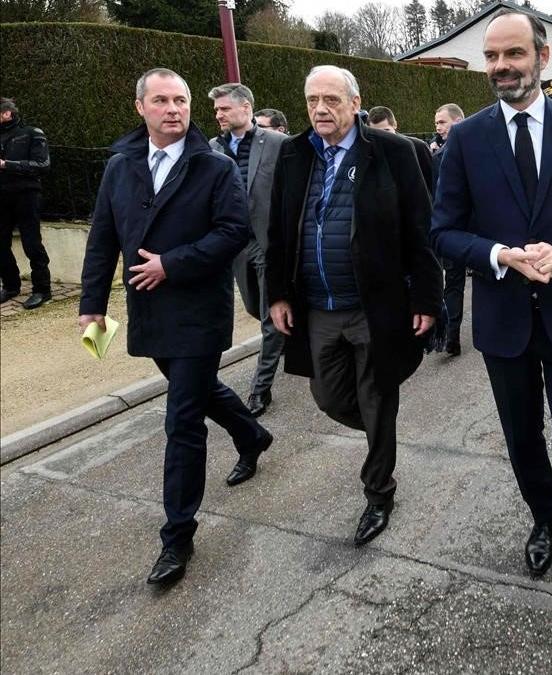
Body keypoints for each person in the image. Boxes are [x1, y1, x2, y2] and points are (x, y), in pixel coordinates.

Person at [430, 9, 552, 672]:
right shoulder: (466, 139)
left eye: (513, 54)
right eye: (492, 57)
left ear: (541, 57)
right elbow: (444, 231)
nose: (501, 67)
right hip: (506, 326)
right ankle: (543, 514)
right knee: (524, 446)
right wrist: (497, 255)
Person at [79, 68, 272, 585]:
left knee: (181, 419)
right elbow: (102, 237)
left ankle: (177, 537)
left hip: (198, 310)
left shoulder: (213, 166)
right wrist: (91, 303)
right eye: (162, 100)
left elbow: (235, 231)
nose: (173, 109)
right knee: (200, 391)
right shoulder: (120, 166)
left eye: (181, 100)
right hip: (148, 309)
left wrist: (173, 262)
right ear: (140, 106)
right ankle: (251, 434)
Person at [265, 65, 443, 547]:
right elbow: (280, 228)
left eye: (331, 100)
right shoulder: (294, 154)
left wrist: (428, 296)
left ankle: (378, 491)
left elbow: (420, 229)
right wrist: (277, 292)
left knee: (376, 391)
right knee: (329, 396)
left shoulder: (395, 152)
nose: (320, 109)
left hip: (374, 305)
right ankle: (380, 429)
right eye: (311, 101)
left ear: (355, 102)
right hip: (317, 306)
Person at [208, 83, 287, 420]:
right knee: (255, 309)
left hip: (270, 242)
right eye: (216, 110)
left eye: (224, 109)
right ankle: (293, 336)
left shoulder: (277, 144)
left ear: (246, 108)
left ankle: (260, 388)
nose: (218, 115)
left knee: (270, 320)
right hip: (236, 243)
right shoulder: (211, 148)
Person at [0, 97, 52, 309]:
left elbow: (43, 164)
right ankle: (11, 285)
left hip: (26, 194)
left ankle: (42, 289)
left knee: (31, 243)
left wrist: (7, 164)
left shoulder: (32, 133)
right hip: (1, 196)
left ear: (7, 113)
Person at [431, 103, 468, 356]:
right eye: (436, 124)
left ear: (457, 121)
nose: (438, 128)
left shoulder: (470, 148)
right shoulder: (436, 153)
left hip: (471, 229)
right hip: (450, 230)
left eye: (442, 122)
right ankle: (451, 336)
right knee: (452, 283)